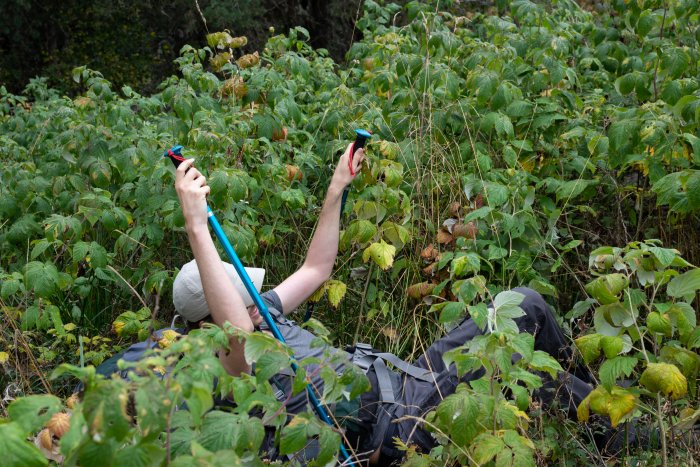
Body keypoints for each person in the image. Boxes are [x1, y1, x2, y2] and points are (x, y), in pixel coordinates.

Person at [172, 144, 625, 464]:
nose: (253, 301)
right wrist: (197, 227)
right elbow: (235, 334)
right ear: (212, 316)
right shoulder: (228, 365)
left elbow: (315, 270)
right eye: (237, 297)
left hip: (410, 381)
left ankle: (604, 414)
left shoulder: (261, 312)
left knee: (522, 304)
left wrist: (336, 187)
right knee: (513, 341)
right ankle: (626, 439)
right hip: (397, 431)